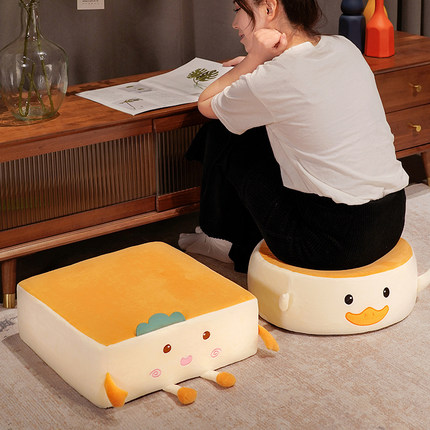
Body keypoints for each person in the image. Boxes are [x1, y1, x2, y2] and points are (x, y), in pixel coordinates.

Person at [179, 0, 409, 273]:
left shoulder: (272, 78)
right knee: (258, 124)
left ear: (269, 8)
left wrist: (253, 61)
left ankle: (220, 239)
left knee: (224, 130)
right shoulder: (344, 47)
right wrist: (260, 68)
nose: (234, 23)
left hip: (330, 245)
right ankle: (227, 235)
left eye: (238, 10)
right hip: (391, 220)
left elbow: (206, 103)